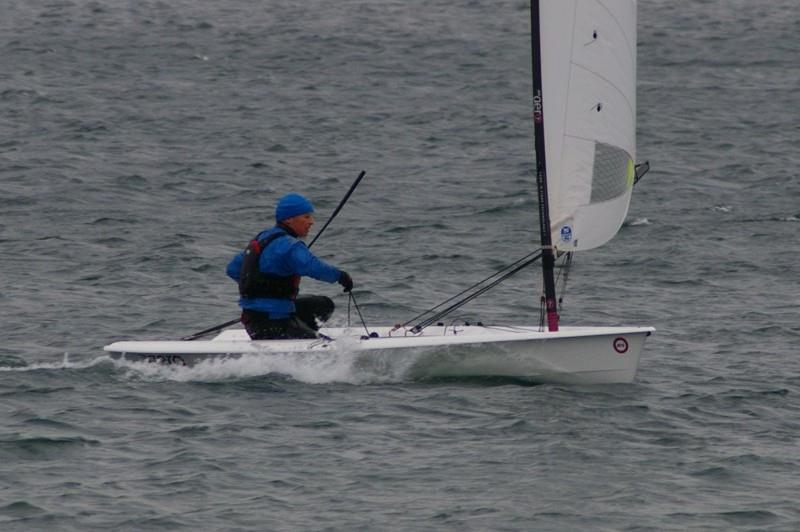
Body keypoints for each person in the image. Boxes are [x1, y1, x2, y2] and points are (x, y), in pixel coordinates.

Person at [226, 192, 354, 339]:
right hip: (273, 323)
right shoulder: (290, 245)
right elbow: (312, 267)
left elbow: (233, 269)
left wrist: (258, 290)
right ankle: (302, 336)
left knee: (323, 305)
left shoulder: (263, 238)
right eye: (306, 217)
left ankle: (301, 330)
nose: (311, 221)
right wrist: (341, 276)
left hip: (253, 319)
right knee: (329, 347)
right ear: (289, 220)